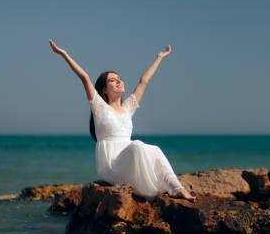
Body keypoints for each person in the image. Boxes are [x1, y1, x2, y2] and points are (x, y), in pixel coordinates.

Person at [49, 39, 196, 202]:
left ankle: (177, 188)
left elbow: (144, 81)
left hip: (129, 159)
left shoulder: (128, 108)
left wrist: (160, 58)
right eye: (112, 80)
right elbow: (84, 77)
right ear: (104, 90)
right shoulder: (99, 107)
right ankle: (151, 192)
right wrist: (64, 54)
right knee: (138, 145)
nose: (118, 81)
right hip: (110, 166)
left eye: (119, 78)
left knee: (155, 149)